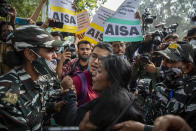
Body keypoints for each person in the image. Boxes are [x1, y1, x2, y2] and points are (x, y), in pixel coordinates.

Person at [113, 43, 196, 131]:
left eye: (170, 61)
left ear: (188, 67)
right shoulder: (167, 83)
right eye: (163, 59)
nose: (163, 64)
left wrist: (143, 129)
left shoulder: (192, 92)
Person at [0, 25, 69, 130]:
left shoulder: (38, 79)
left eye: (55, 50)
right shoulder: (8, 93)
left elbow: (34, 107)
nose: (55, 56)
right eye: (50, 50)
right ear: (30, 54)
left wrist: (53, 107)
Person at [54, 55, 143, 130]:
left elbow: (73, 124)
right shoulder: (126, 97)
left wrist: (69, 92)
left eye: (99, 71)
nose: (94, 73)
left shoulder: (108, 102)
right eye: (93, 56)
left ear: (112, 78)